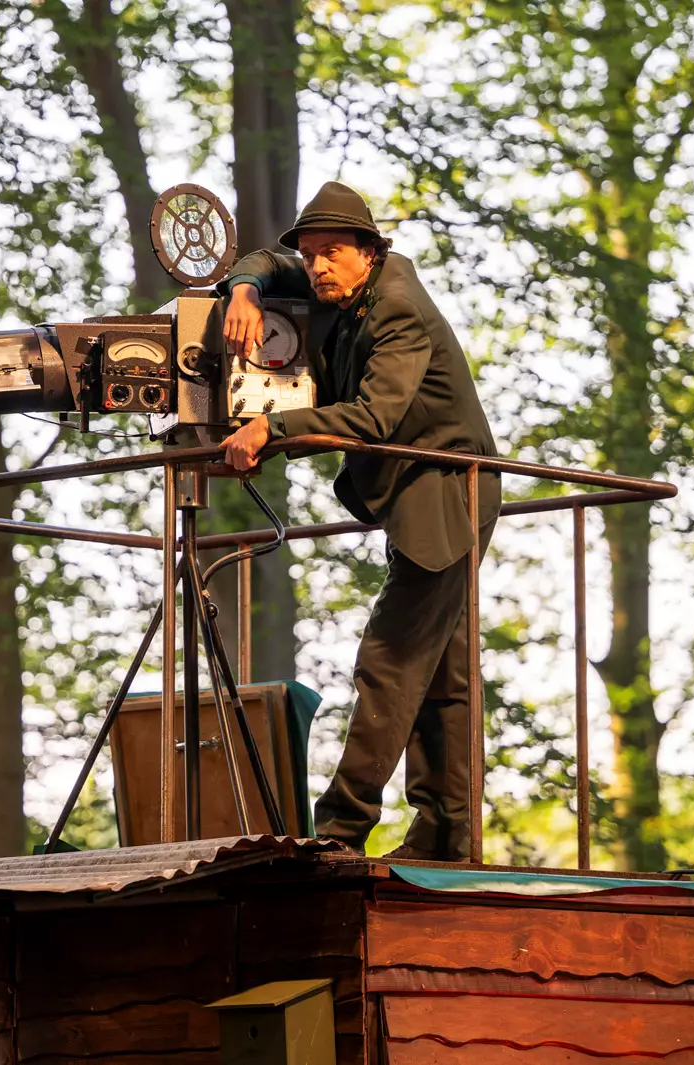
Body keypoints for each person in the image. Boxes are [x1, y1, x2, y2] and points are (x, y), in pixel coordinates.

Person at [217, 181, 500, 862]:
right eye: (310, 255)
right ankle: (445, 832)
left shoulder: (396, 309)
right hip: (419, 496)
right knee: (443, 677)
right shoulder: (336, 281)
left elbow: (375, 419)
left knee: (390, 660)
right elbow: (264, 257)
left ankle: (340, 829)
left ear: (369, 252)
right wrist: (244, 292)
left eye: (331, 253)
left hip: (444, 493)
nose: (315, 267)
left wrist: (270, 429)